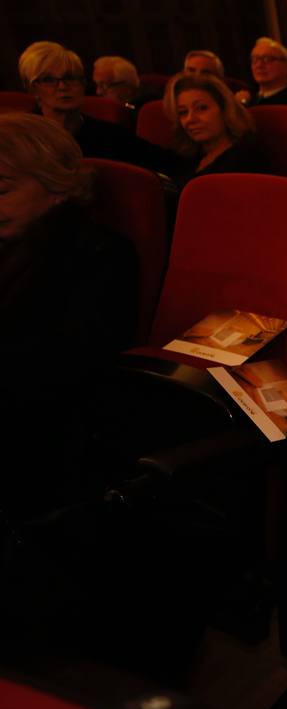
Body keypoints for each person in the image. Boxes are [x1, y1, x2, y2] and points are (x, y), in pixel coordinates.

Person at [0, 114, 138, 510]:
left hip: (42, 436)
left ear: (56, 188)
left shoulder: (99, 253)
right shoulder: (9, 242)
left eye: (2, 189)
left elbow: (64, 368)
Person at [17, 41, 172, 175]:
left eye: (70, 77)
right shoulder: (21, 138)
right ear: (33, 89)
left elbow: (169, 163)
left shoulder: (110, 135)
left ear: (83, 84)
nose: (63, 86)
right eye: (49, 80)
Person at [163, 72, 265, 182]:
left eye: (201, 108)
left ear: (225, 109)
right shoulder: (191, 155)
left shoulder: (245, 160)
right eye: (183, 112)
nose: (190, 119)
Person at [238, 37, 287, 107]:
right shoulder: (249, 98)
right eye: (255, 59)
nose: (259, 65)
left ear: (286, 66)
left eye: (267, 59)